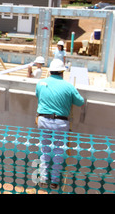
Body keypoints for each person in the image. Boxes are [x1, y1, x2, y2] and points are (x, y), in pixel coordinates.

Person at [35, 59, 85, 189]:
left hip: (43, 121)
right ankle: (55, 181)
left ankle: (44, 178)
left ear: (50, 71)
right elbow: (80, 102)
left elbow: (38, 96)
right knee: (58, 151)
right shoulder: (68, 86)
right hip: (61, 123)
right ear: (62, 72)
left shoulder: (41, 83)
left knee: (44, 150)